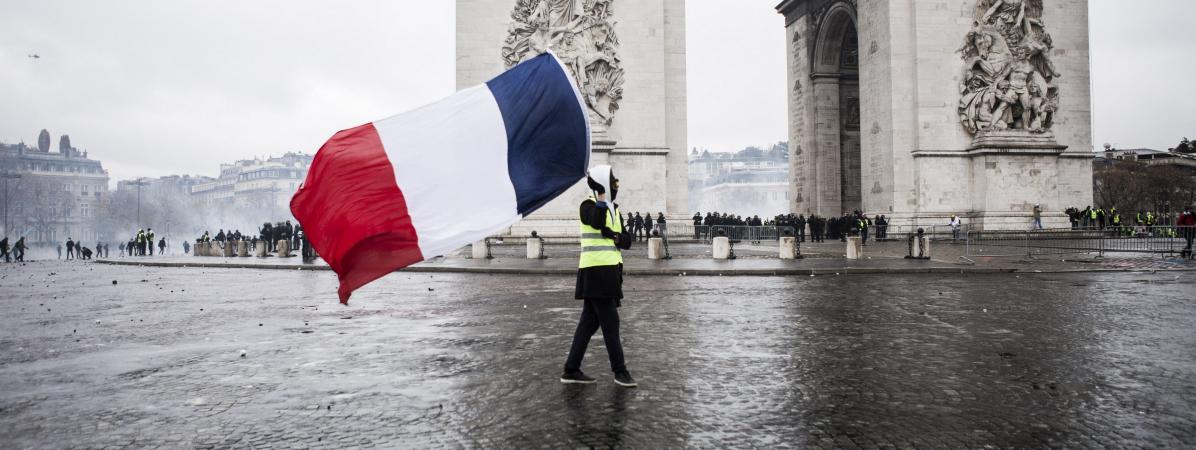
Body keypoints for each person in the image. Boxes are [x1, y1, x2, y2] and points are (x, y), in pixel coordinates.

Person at [561, 165, 636, 388]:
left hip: (611, 272)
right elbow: (595, 221)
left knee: (588, 323)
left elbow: (627, 240)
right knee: (611, 323)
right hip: (595, 271)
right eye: (611, 182)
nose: (616, 186)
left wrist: (615, 236)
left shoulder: (615, 209)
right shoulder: (588, 206)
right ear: (601, 184)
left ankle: (571, 369)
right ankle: (620, 371)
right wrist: (601, 196)